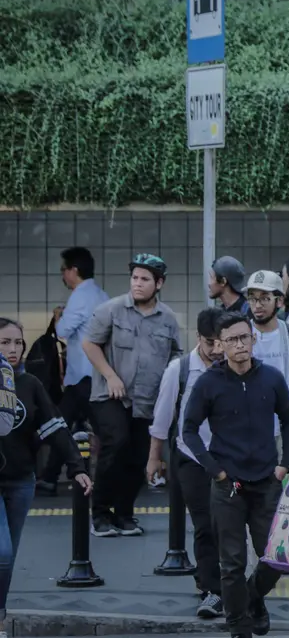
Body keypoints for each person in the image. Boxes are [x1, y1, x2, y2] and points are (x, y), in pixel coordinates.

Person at [181, 312, 289, 638]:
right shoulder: (209, 382)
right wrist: (215, 470)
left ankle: (252, 598)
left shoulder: (271, 378)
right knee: (231, 564)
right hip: (227, 485)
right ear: (220, 344)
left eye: (244, 337)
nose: (239, 344)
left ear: (253, 339)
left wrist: (285, 463)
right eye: (231, 339)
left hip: (266, 481)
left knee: (276, 557)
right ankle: (239, 629)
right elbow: (188, 430)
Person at [0, 318, 90, 637]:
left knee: (6, 559)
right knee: (2, 552)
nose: (13, 349)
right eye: (5, 343)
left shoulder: (30, 385)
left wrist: (76, 467)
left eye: (18, 342)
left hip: (21, 480)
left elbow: (55, 427)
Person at [81, 253, 181, 538]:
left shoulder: (168, 319)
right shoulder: (110, 310)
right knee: (117, 442)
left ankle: (124, 514)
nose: (137, 284)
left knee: (138, 456)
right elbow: (89, 344)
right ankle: (100, 514)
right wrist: (110, 375)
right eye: (135, 278)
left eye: (145, 279)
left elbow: (177, 354)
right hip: (110, 397)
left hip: (147, 400)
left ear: (158, 283)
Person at [146, 308, 226, 619]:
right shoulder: (179, 370)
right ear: (198, 338)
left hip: (228, 457)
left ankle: (221, 580)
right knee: (206, 522)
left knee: (228, 523)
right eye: (210, 342)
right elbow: (163, 419)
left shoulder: (233, 367)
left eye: (222, 342)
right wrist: (154, 458)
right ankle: (211, 587)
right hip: (191, 458)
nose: (217, 350)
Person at [43, 247, 107, 495]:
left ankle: (49, 476)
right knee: (62, 425)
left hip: (82, 376)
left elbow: (62, 332)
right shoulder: (100, 294)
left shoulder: (80, 296)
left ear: (74, 270)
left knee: (59, 425)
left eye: (64, 270)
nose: (63, 275)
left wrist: (59, 315)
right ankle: (49, 476)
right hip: (92, 375)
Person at [244, 271, 289, 423]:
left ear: (280, 301)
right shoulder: (240, 335)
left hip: (284, 424)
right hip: (246, 425)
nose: (257, 305)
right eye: (252, 298)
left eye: (264, 298)